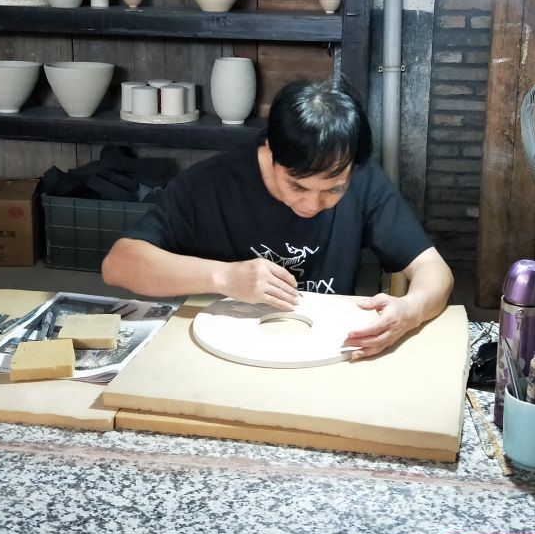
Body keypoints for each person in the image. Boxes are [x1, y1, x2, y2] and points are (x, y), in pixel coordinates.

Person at [101, 79, 454, 359]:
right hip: (225, 350)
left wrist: (411, 309)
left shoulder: (363, 180)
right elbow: (118, 264)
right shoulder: (210, 184)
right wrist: (225, 276)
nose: (313, 204)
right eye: (298, 186)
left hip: (322, 349)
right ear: (271, 150)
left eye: (333, 189)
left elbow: (433, 269)